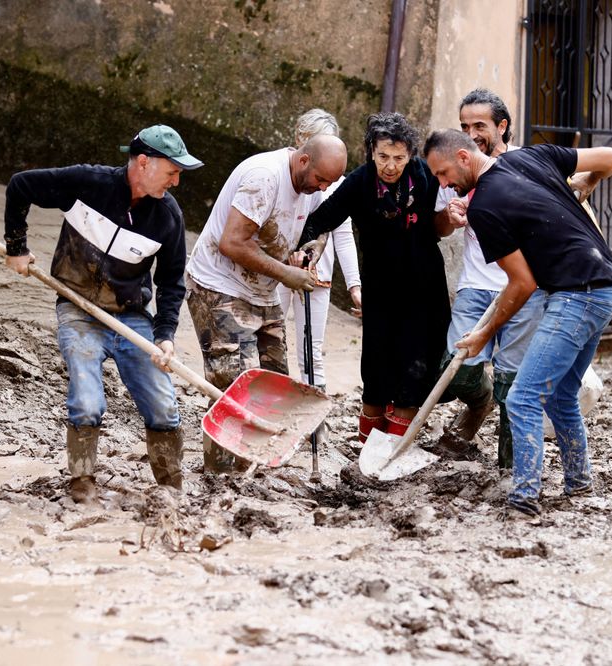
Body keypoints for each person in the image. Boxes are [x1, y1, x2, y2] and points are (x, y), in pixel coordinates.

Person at [424, 129, 612, 519]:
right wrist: (588, 180)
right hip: (607, 286)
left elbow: (522, 283)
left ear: (464, 157)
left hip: (577, 296)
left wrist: (484, 333)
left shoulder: (486, 208)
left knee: (523, 397)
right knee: (562, 393)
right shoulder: (533, 157)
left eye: (444, 173)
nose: (444, 184)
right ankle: (578, 482)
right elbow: (610, 159)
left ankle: (525, 496)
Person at [2, 124, 202, 501]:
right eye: (173, 171)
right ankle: (82, 483)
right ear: (144, 163)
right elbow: (20, 185)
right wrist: (16, 247)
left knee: (163, 406)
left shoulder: (168, 218)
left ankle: (171, 489)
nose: (176, 182)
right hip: (77, 309)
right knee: (87, 400)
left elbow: (172, 283)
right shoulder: (87, 183)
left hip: (131, 317)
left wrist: (165, 335)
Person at [185, 133, 347, 473]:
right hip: (219, 285)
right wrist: (287, 274)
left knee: (276, 380)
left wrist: (311, 251)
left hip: (262, 290)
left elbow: (322, 224)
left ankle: (261, 462)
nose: (321, 188)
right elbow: (232, 242)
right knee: (233, 383)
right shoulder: (264, 177)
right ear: (303, 160)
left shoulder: (314, 187)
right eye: (319, 180)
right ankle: (223, 473)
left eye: (328, 184)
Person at [298, 112, 450, 443]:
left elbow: (451, 206)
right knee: (377, 364)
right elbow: (319, 220)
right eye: (383, 156)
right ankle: (369, 444)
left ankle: (394, 445)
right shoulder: (359, 183)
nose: (390, 165)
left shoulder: (425, 176)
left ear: (411, 154)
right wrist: (309, 249)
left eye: (399, 157)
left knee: (417, 363)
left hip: (424, 288)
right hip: (380, 289)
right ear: (371, 151)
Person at [426, 89, 546, 469]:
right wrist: (451, 216)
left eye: (480, 125)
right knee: (457, 367)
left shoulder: (525, 164)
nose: (471, 132)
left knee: (513, 380)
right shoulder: (457, 165)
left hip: (524, 287)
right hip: (476, 285)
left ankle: (511, 467)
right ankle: (483, 398)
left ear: (502, 126)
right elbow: (438, 228)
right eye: (464, 125)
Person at [274, 109, 363, 396]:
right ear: (302, 140)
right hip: (280, 269)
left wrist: (354, 285)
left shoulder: (336, 182)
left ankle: (314, 417)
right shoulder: (280, 171)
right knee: (270, 337)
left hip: (317, 275)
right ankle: (273, 401)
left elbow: (344, 235)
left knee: (311, 349)